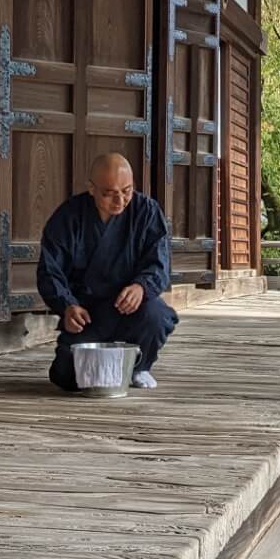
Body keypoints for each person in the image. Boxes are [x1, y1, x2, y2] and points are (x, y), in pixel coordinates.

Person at [38, 153, 178, 391]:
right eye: (109, 193)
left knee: (157, 314)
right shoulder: (69, 216)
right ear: (91, 188)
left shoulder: (146, 212)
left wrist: (141, 287)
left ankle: (138, 367)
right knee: (67, 376)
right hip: (88, 314)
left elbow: (160, 262)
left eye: (127, 190)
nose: (120, 200)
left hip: (131, 308)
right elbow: (50, 271)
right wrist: (67, 306)